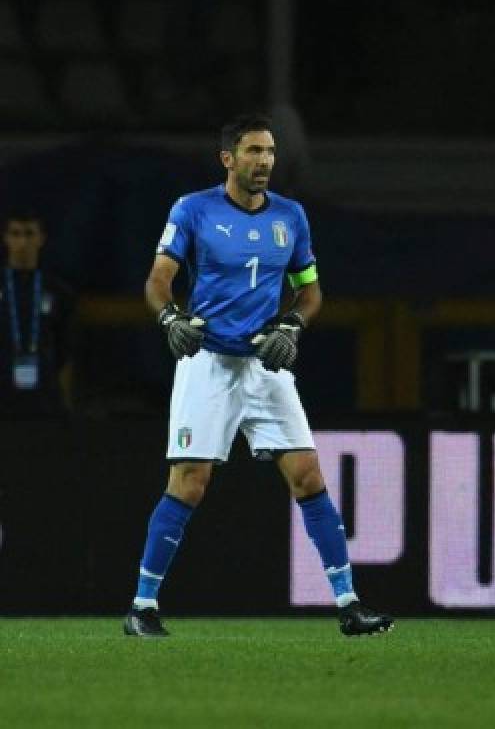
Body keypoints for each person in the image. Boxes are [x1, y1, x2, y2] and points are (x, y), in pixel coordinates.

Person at [123, 113, 393, 638]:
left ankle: (349, 604)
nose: (265, 160)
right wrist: (169, 318)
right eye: (253, 151)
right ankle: (142, 606)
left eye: (269, 151)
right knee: (190, 483)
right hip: (208, 365)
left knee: (309, 475)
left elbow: (311, 293)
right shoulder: (193, 209)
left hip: (265, 366)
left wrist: (291, 325)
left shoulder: (290, 218)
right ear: (228, 158)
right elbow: (159, 279)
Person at [0, 211, 75, 415]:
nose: (22, 241)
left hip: (44, 400)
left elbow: (65, 348)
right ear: (6, 238)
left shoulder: (57, 290)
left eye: (29, 234)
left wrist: (66, 404)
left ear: (40, 239)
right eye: (15, 234)